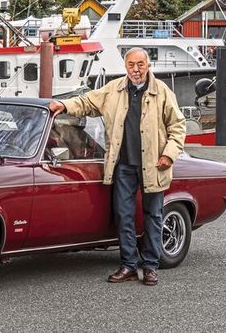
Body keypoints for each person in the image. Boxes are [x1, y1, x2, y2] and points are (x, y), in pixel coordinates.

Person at [48, 47, 186, 286]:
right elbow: (87, 102)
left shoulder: (162, 92)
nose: (136, 69)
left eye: (140, 65)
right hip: (123, 165)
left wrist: (169, 155)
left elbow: (178, 126)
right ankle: (129, 265)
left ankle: (151, 266)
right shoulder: (114, 89)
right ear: (125, 66)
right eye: (131, 65)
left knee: (154, 215)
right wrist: (63, 105)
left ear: (148, 65)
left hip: (154, 165)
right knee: (123, 215)